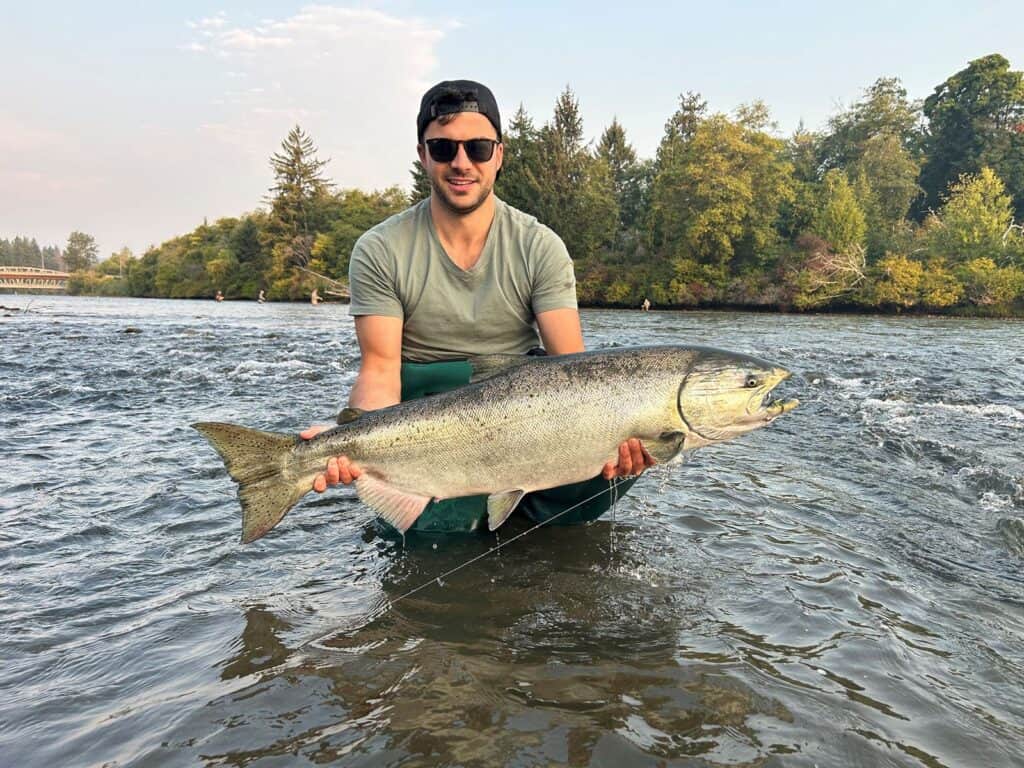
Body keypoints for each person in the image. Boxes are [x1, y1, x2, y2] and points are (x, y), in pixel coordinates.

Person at [301, 79, 654, 532]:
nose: (461, 163)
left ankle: (521, 516)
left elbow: (574, 373)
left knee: (631, 449)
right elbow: (380, 369)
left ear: (499, 155)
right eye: (444, 148)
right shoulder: (379, 249)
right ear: (423, 154)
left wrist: (613, 441)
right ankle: (459, 518)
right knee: (433, 543)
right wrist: (346, 443)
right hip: (426, 419)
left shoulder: (539, 246)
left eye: (479, 148)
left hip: (525, 410)